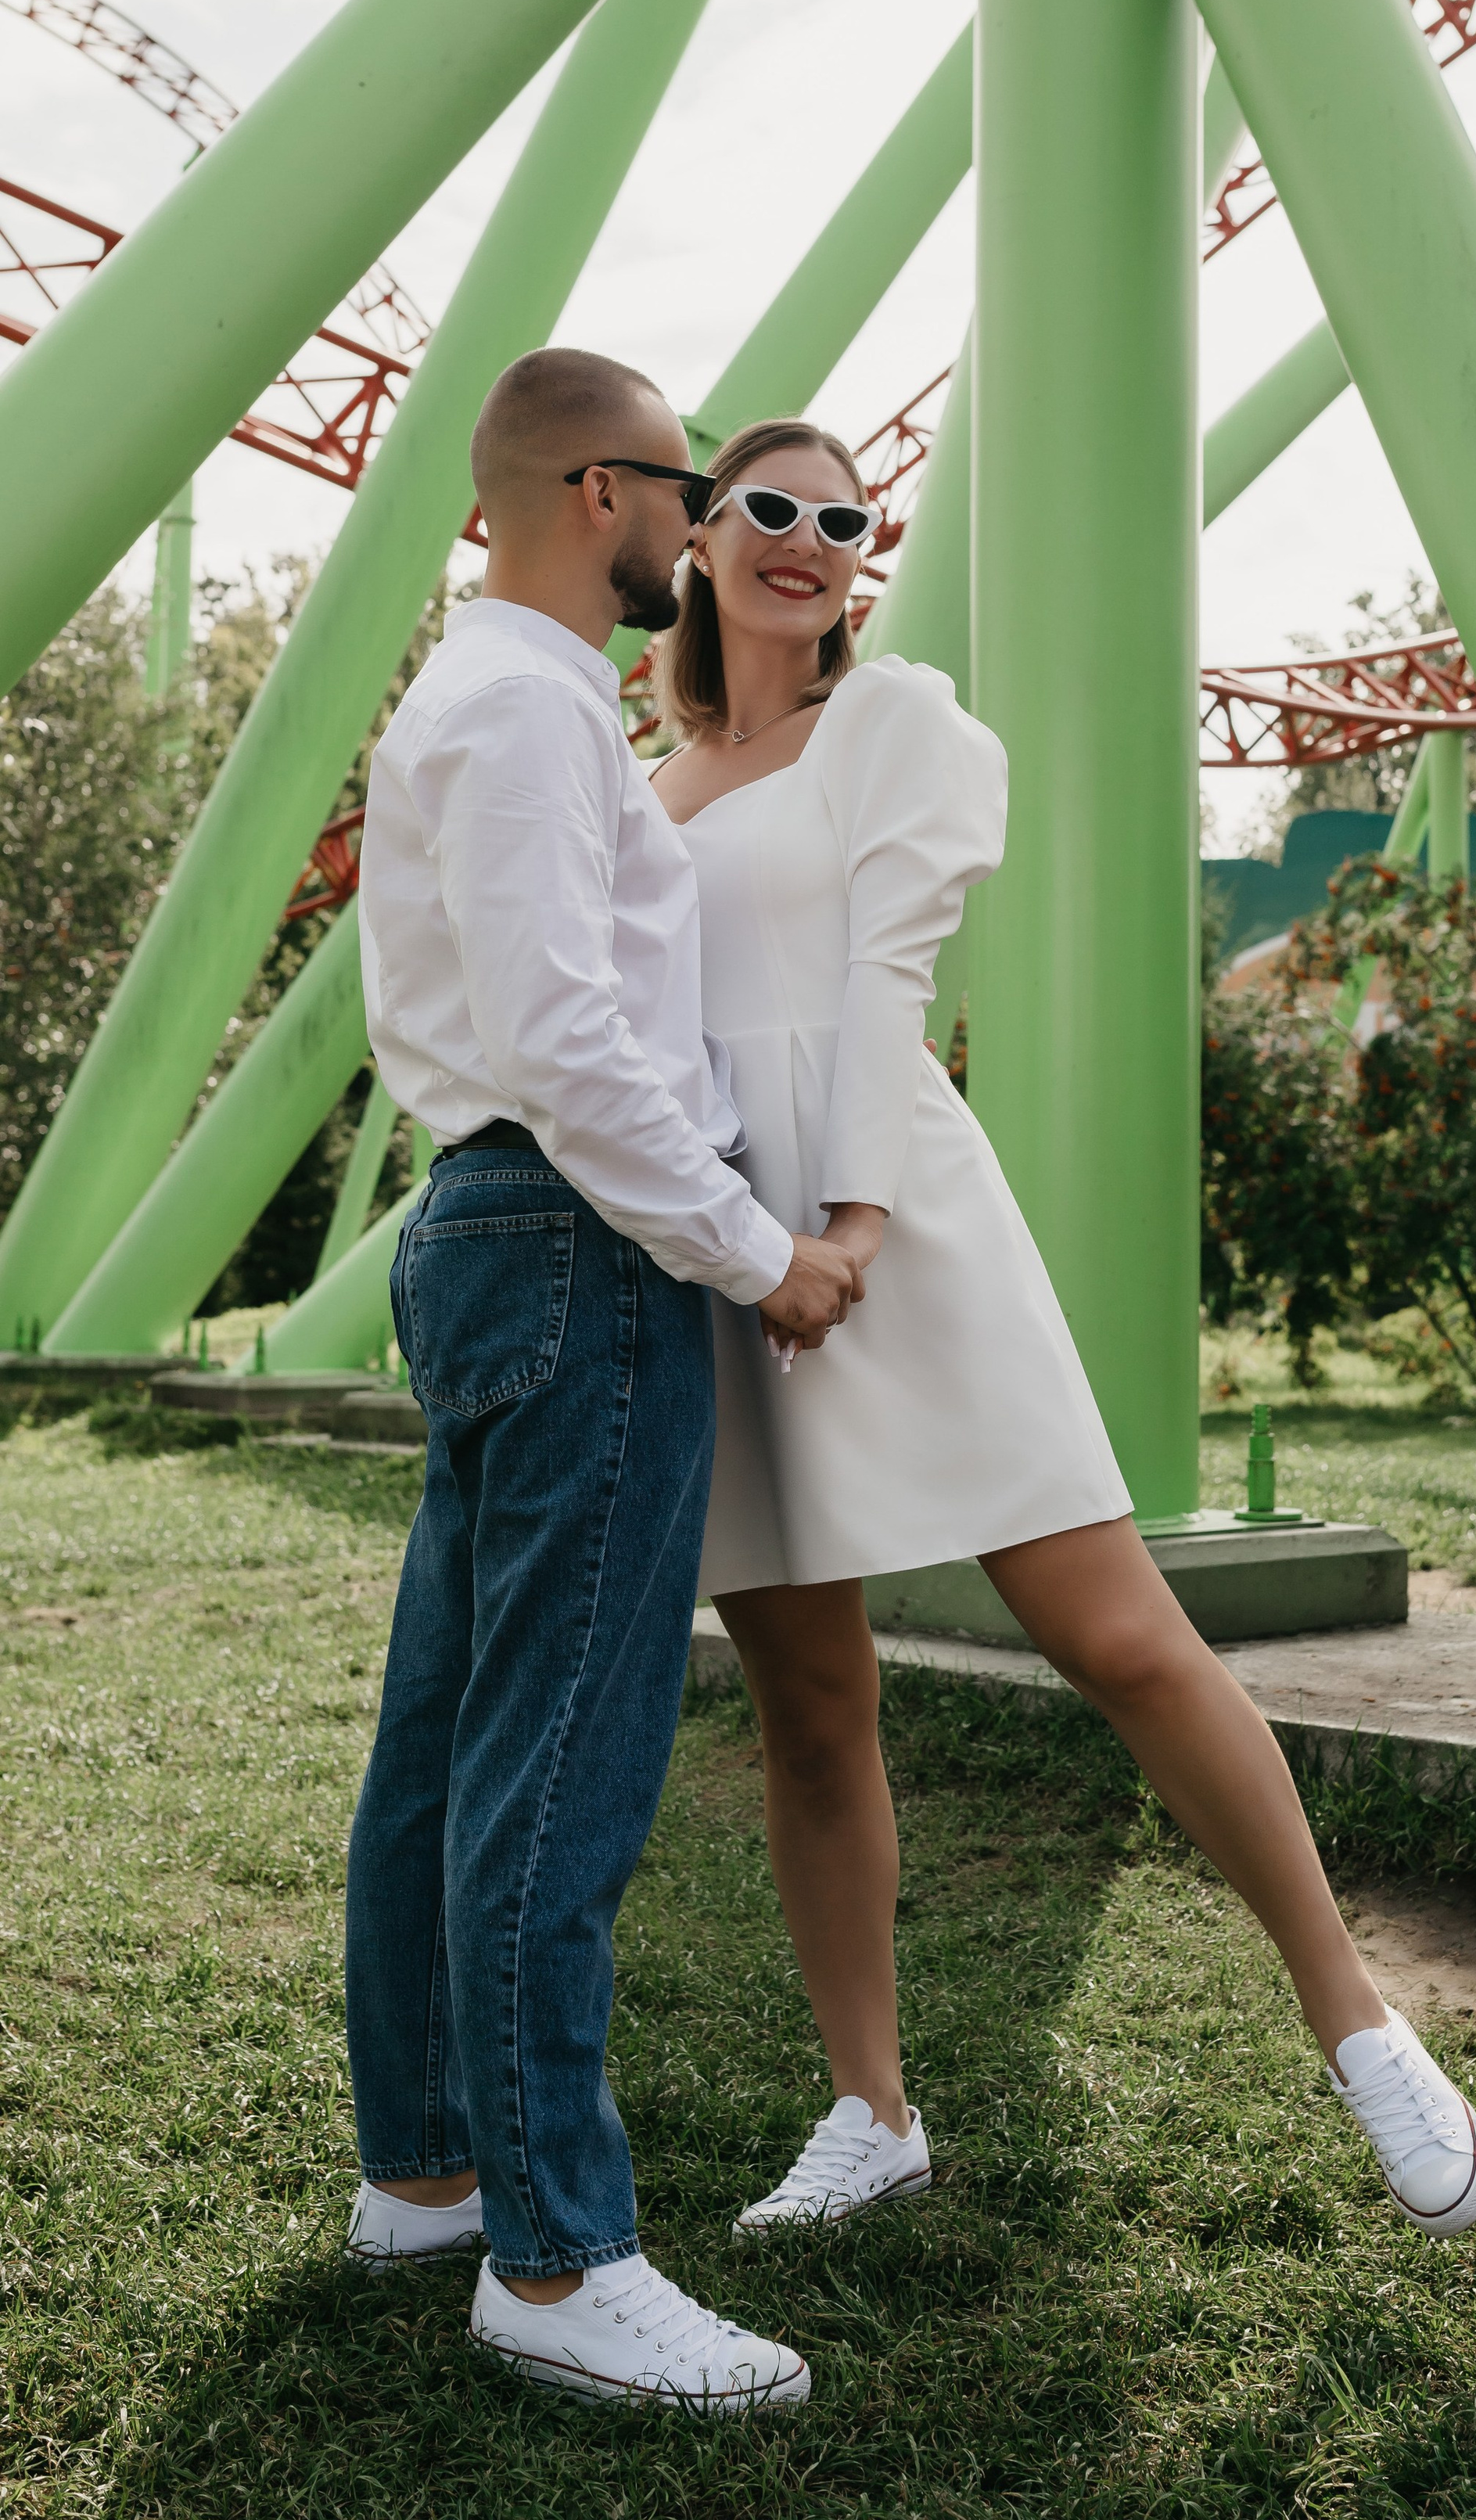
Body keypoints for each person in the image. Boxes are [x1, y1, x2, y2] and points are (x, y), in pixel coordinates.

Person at [648, 416, 1476, 2253]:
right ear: (703, 537)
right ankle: (868, 2107)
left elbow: (884, 977)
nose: (807, 538)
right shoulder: (648, 784)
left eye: (842, 516)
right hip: (723, 1237)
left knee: (1117, 1632)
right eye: (768, 508)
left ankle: (1352, 2017)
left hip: (894, 1220)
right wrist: (733, 1237)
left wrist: (855, 1214)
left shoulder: (895, 723)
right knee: (806, 1702)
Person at [343, 348, 862, 2416]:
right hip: (578, 1243)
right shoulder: (534, 716)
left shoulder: (477, 707)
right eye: (680, 484)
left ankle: (431, 2173)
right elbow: (576, 1047)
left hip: (493, 1234)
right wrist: (762, 1253)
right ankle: (558, 2264)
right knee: (560, 1759)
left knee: (450, 1740)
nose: (702, 520)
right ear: (596, 494)